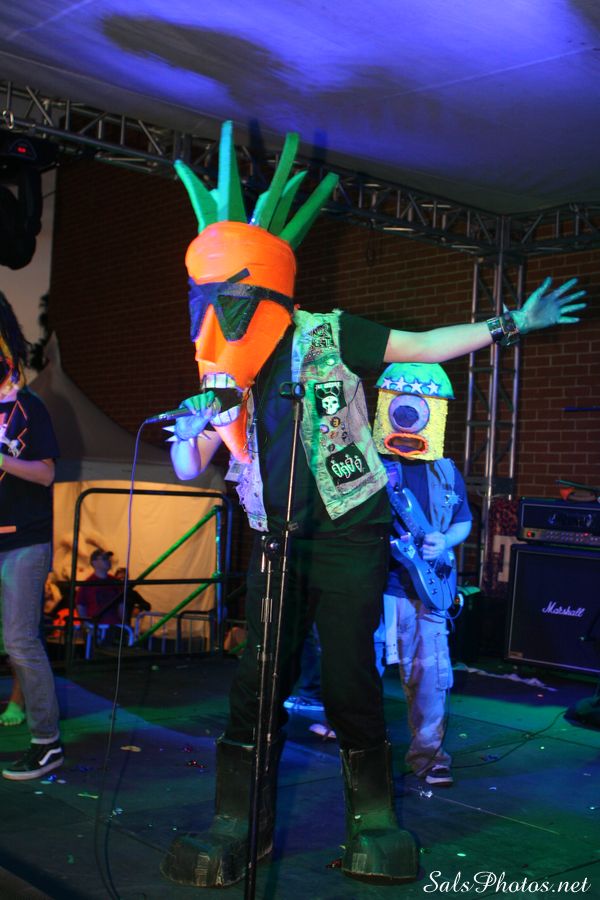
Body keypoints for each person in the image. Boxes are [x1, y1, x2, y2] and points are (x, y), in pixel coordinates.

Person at [160, 121, 587, 888]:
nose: (215, 313)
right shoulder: (223, 368)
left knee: (351, 677)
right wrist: (191, 432)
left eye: (228, 296)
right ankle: (238, 822)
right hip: (277, 539)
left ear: (261, 289)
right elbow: (195, 462)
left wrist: (511, 323)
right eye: (204, 299)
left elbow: (421, 345)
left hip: (349, 535)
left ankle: (374, 821)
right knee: (258, 681)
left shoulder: (328, 335)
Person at [373, 362, 472, 788]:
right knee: (359, 673)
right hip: (374, 588)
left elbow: (464, 522)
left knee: (431, 678)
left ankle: (430, 758)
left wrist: (444, 541)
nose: (408, 415)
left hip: (427, 591)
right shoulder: (369, 465)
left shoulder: (445, 470)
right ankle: (359, 755)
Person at [0, 292, 63, 780]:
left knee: (20, 639)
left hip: (23, 541)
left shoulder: (31, 408)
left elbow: (45, 473)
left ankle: (47, 743)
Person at [75, 549, 124, 626]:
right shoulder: (87, 585)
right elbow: (81, 606)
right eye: (104, 558)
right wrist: (87, 625)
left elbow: (121, 605)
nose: (108, 561)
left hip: (115, 626)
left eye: (108, 558)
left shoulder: (116, 582)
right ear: (94, 562)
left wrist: (123, 623)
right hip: (96, 626)